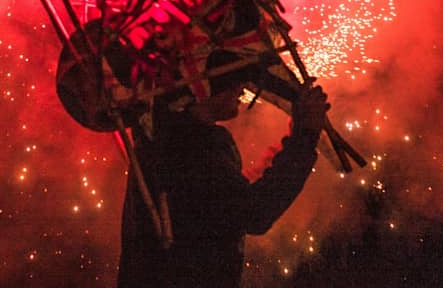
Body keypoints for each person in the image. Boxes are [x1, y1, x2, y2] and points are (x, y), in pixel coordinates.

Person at [117, 76, 329, 288]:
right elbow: (255, 212)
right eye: (230, 77)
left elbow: (233, 195)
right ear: (198, 88)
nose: (241, 85)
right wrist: (304, 137)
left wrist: (296, 140)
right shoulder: (189, 147)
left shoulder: (166, 138)